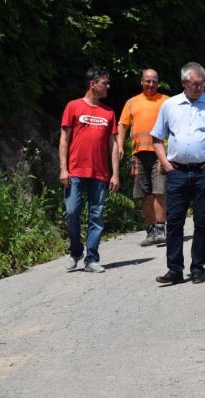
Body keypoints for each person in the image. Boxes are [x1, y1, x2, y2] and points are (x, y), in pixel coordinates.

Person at [150, 62, 205, 284]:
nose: (199, 87)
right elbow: (157, 138)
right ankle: (174, 269)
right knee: (174, 221)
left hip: (203, 171)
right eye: (194, 84)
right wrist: (165, 163)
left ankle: (197, 268)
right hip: (177, 171)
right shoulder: (170, 105)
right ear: (184, 83)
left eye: (202, 83)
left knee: (203, 220)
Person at [59, 67, 120, 273]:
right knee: (71, 212)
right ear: (92, 84)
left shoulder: (108, 112)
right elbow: (64, 139)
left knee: (97, 216)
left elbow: (114, 145)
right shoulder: (73, 106)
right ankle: (76, 251)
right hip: (75, 171)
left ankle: (91, 258)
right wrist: (63, 169)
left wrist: (115, 174)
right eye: (104, 82)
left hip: (99, 173)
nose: (108, 86)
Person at [117, 69, 169, 247]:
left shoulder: (166, 101)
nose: (151, 84)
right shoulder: (132, 102)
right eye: (148, 81)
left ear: (158, 82)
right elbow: (122, 125)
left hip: (160, 154)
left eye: (154, 81)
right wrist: (120, 145)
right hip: (138, 154)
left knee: (159, 191)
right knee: (143, 194)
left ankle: (161, 229)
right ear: (142, 82)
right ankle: (151, 231)